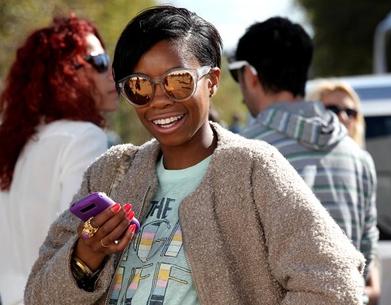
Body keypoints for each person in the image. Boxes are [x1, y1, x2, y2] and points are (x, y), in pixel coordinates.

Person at [25, 6, 365, 305]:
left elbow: (335, 283)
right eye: (139, 86)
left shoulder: (252, 169)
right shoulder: (111, 172)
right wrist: (87, 256)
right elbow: (37, 295)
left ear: (212, 81)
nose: (159, 100)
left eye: (178, 82)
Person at [229, 17, 379, 304]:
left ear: (250, 75)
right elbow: (365, 252)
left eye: (236, 75)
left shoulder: (240, 152)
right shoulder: (358, 157)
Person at [0, 15, 118, 305]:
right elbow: (78, 241)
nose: (112, 72)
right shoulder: (84, 137)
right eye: (100, 62)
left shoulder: (13, 145)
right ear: (65, 73)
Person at [309, 79, 380, 304]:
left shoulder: (363, 161)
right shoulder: (301, 158)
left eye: (350, 111)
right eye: (332, 109)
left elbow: (369, 234)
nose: (342, 117)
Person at [308, 79, 365, 148]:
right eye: (333, 110)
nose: (343, 117)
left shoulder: (362, 157)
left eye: (349, 112)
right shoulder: (296, 155)